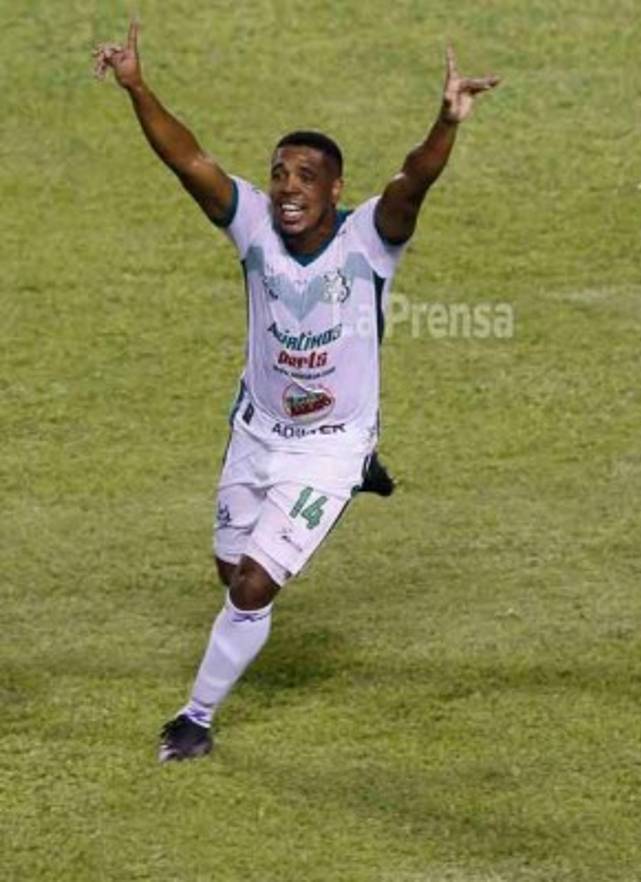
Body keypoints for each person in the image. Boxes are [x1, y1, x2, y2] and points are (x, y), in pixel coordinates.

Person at [92, 21, 499, 762]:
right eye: (280, 173)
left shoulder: (368, 240)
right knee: (228, 569)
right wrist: (137, 86)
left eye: (306, 178)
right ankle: (351, 485)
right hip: (258, 430)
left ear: (334, 189)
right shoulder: (251, 224)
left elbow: (414, 179)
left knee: (251, 587)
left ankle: (196, 719)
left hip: (330, 444)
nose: (287, 189)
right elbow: (188, 160)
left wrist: (445, 122)